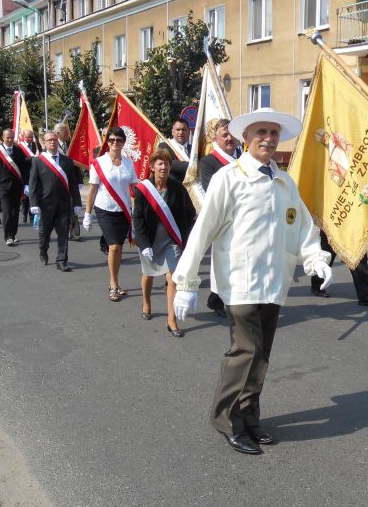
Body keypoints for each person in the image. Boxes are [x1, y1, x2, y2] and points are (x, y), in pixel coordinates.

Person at [172, 107, 333, 455]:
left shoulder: (284, 181)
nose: (268, 139)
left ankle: (250, 416)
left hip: (275, 282)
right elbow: (203, 231)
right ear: (246, 138)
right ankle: (227, 419)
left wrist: (316, 257)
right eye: (260, 132)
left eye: (273, 133)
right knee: (245, 351)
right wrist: (184, 283)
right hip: (240, 280)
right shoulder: (229, 178)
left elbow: (303, 227)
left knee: (261, 355)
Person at [132, 149, 196, 336]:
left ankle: (171, 320)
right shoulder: (143, 189)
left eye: (167, 164)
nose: (164, 167)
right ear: (152, 167)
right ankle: (146, 301)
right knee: (148, 274)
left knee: (172, 278)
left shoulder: (178, 188)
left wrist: (188, 237)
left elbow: (189, 213)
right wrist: (143, 244)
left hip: (171, 241)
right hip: (150, 241)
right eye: (160, 163)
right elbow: (138, 219)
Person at [83, 126, 139, 301]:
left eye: (119, 140)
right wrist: (87, 213)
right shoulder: (99, 163)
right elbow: (92, 189)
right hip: (105, 208)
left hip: (123, 211)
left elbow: (135, 188)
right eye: (112, 140)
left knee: (119, 247)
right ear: (108, 142)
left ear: (123, 143)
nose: (115, 143)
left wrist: (138, 211)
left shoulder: (128, 163)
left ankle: (114, 281)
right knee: (113, 246)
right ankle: (113, 284)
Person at [198, 118, 240, 317]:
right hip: (223, 219)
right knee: (223, 262)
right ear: (216, 138)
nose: (229, 139)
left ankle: (226, 300)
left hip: (244, 219)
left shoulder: (245, 158)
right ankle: (217, 300)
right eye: (225, 135)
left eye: (232, 134)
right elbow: (210, 190)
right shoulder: (208, 162)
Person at [29, 131, 82, 271]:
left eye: (54, 139)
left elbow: (73, 184)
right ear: (44, 143)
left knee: (63, 233)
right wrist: (33, 203)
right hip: (45, 205)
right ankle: (43, 250)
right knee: (44, 234)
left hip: (64, 204)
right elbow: (33, 184)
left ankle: (61, 260)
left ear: (58, 141)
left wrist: (77, 202)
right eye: (49, 140)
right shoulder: (38, 161)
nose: (52, 142)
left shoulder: (67, 161)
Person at [310, 233, 368, 306]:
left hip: (353, 228)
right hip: (332, 225)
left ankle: (366, 295)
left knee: (359, 257)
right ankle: (317, 285)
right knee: (326, 255)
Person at [0, 129, 29, 246]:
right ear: (3, 137)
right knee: (7, 211)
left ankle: (13, 234)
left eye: (12, 137)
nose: (10, 140)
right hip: (3, 186)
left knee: (15, 212)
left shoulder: (18, 150)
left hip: (17, 187)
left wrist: (26, 184)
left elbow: (24, 169)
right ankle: (7, 236)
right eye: (7, 137)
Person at [158, 117, 192, 185]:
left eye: (184, 130)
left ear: (188, 132)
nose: (181, 132)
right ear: (172, 132)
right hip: (173, 188)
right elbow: (170, 163)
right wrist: (194, 167)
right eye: (178, 129)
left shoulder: (194, 149)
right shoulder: (164, 146)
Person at [18, 129, 39, 225]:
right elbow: (20, 160)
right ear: (23, 137)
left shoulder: (36, 146)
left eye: (31, 137)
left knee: (33, 194)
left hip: (35, 174)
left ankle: (31, 215)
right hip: (24, 174)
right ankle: (24, 213)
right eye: (28, 137)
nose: (30, 139)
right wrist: (33, 158)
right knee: (25, 196)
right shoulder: (19, 147)